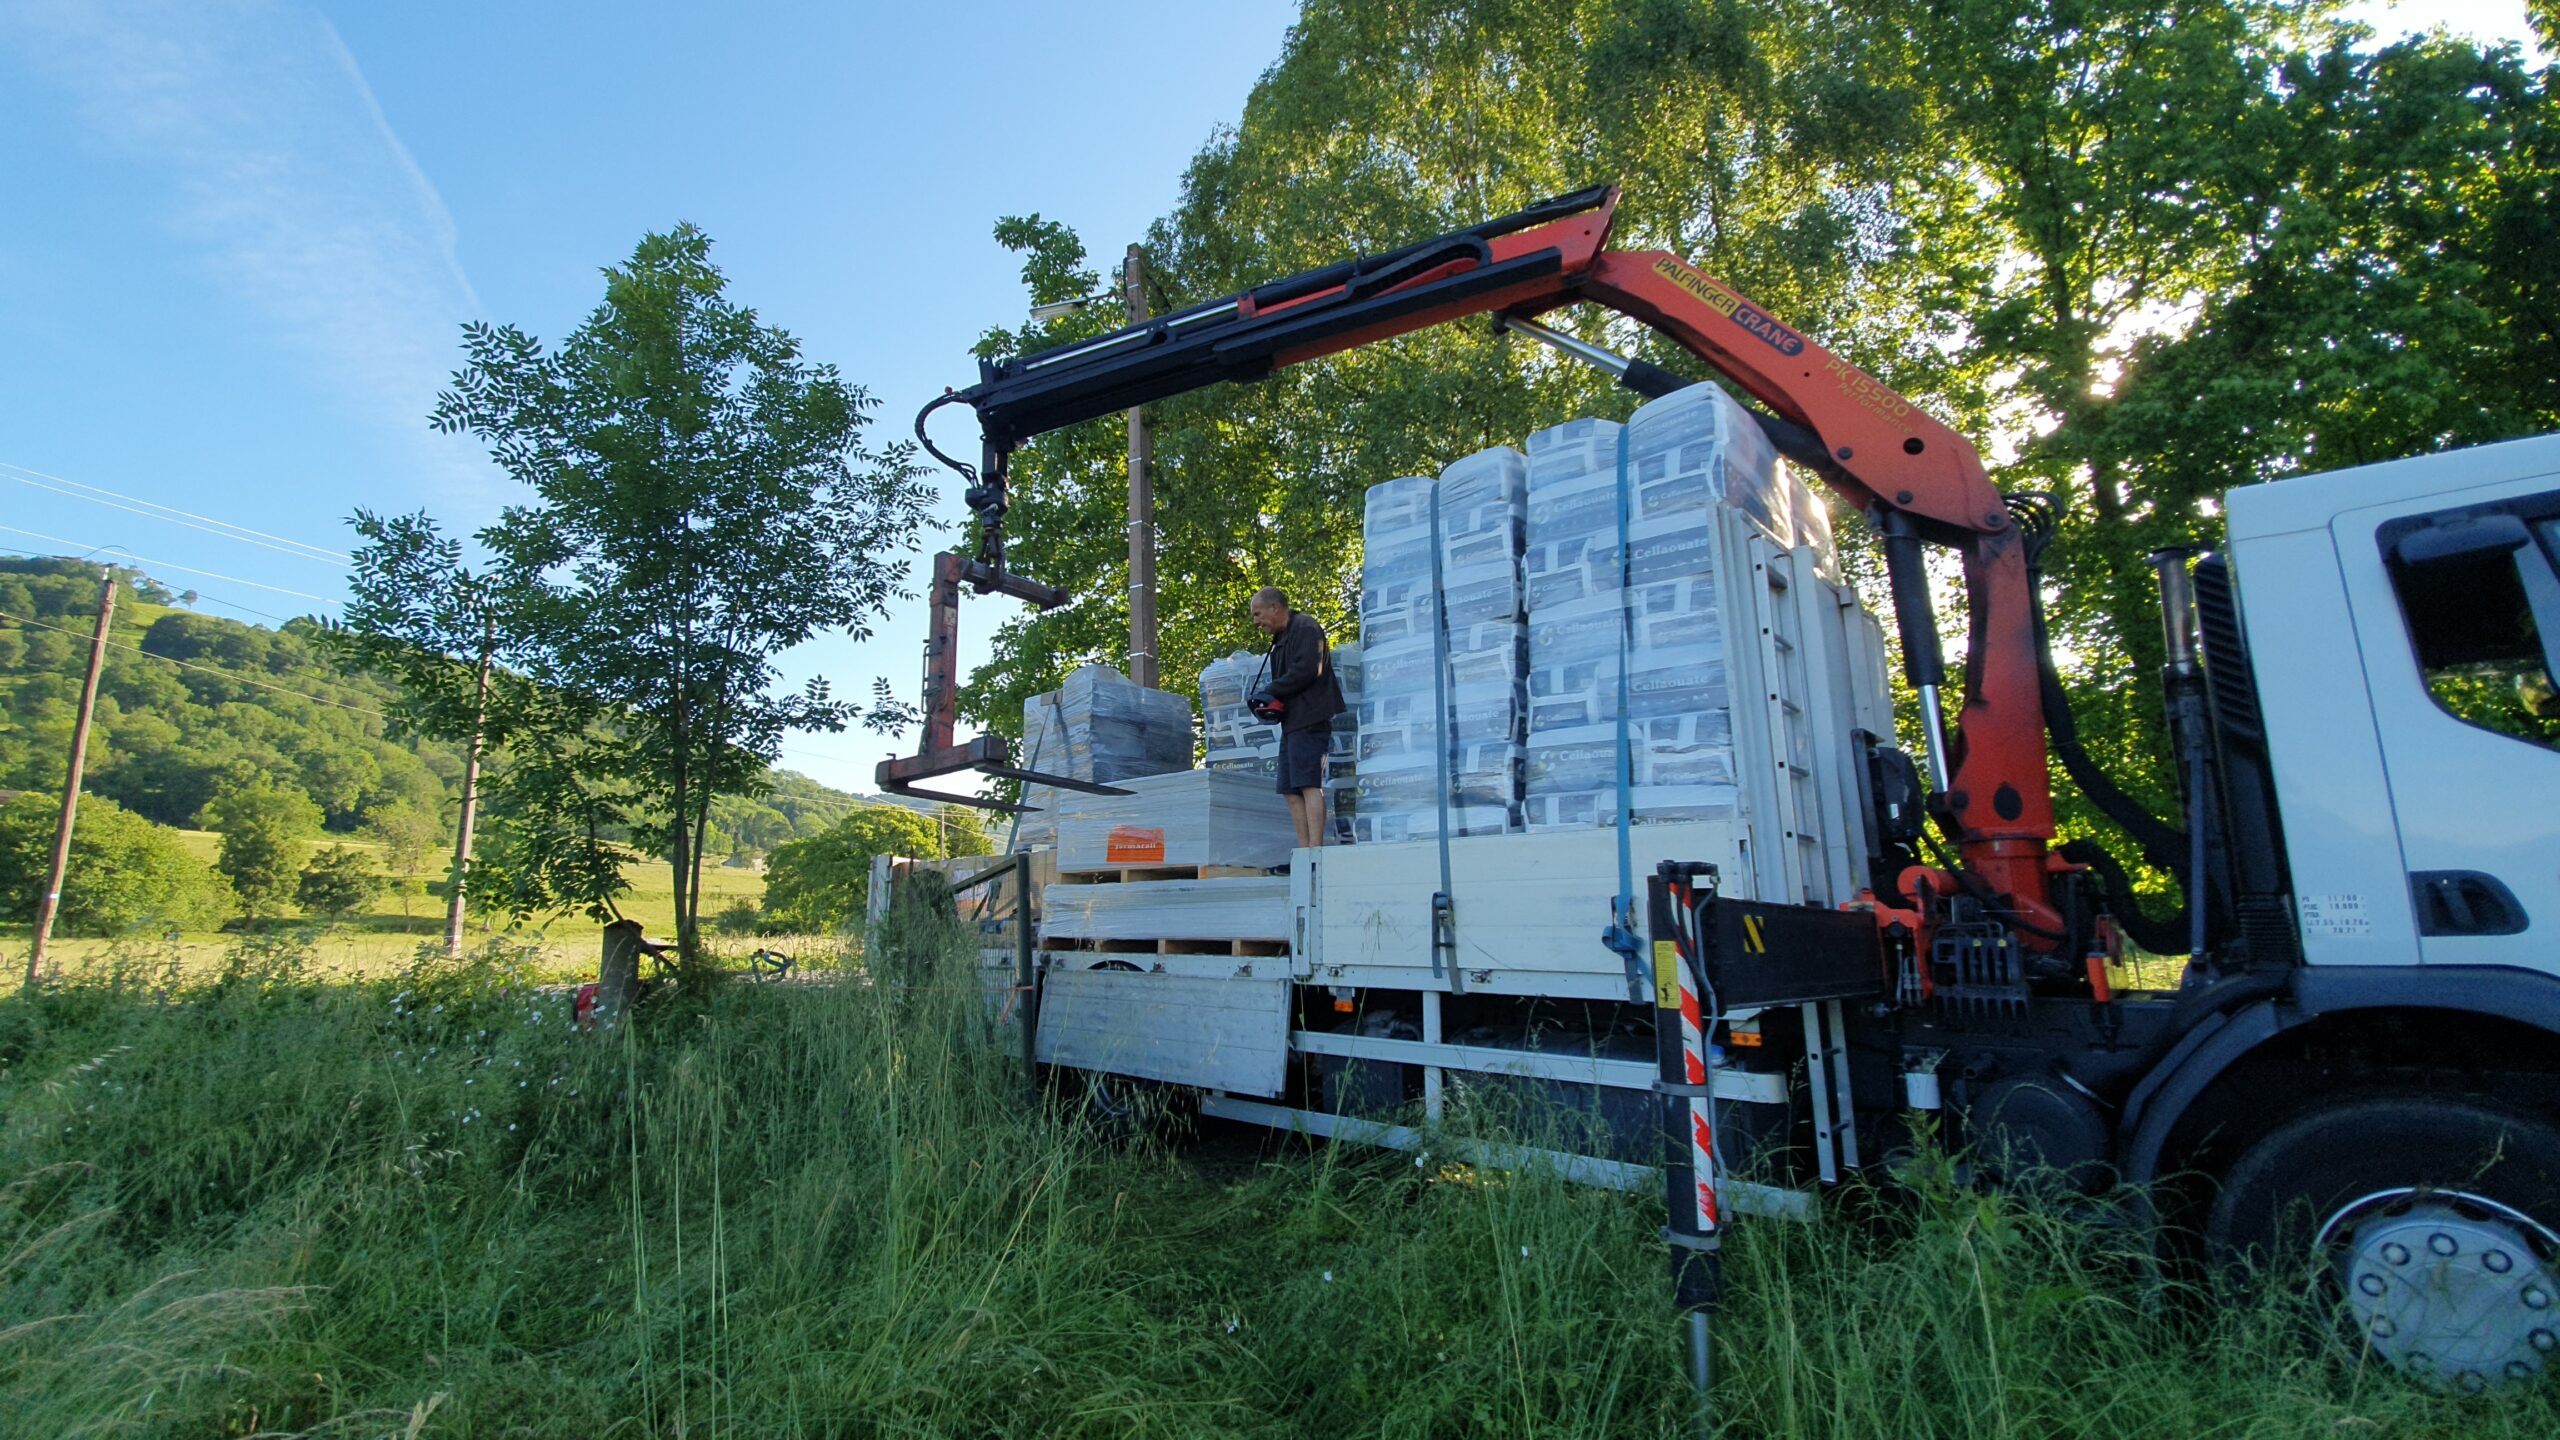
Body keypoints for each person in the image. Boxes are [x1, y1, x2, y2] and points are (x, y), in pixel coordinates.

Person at [1250, 586, 1344, 848]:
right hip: (1291, 722)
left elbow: (1307, 669)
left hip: (1311, 718)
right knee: (1290, 790)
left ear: (1275, 608)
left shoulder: (1306, 627)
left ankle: (1316, 851)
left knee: (1309, 784)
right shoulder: (1280, 639)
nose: (1256, 622)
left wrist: (1270, 691)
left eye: (1258, 614)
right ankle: (1304, 852)